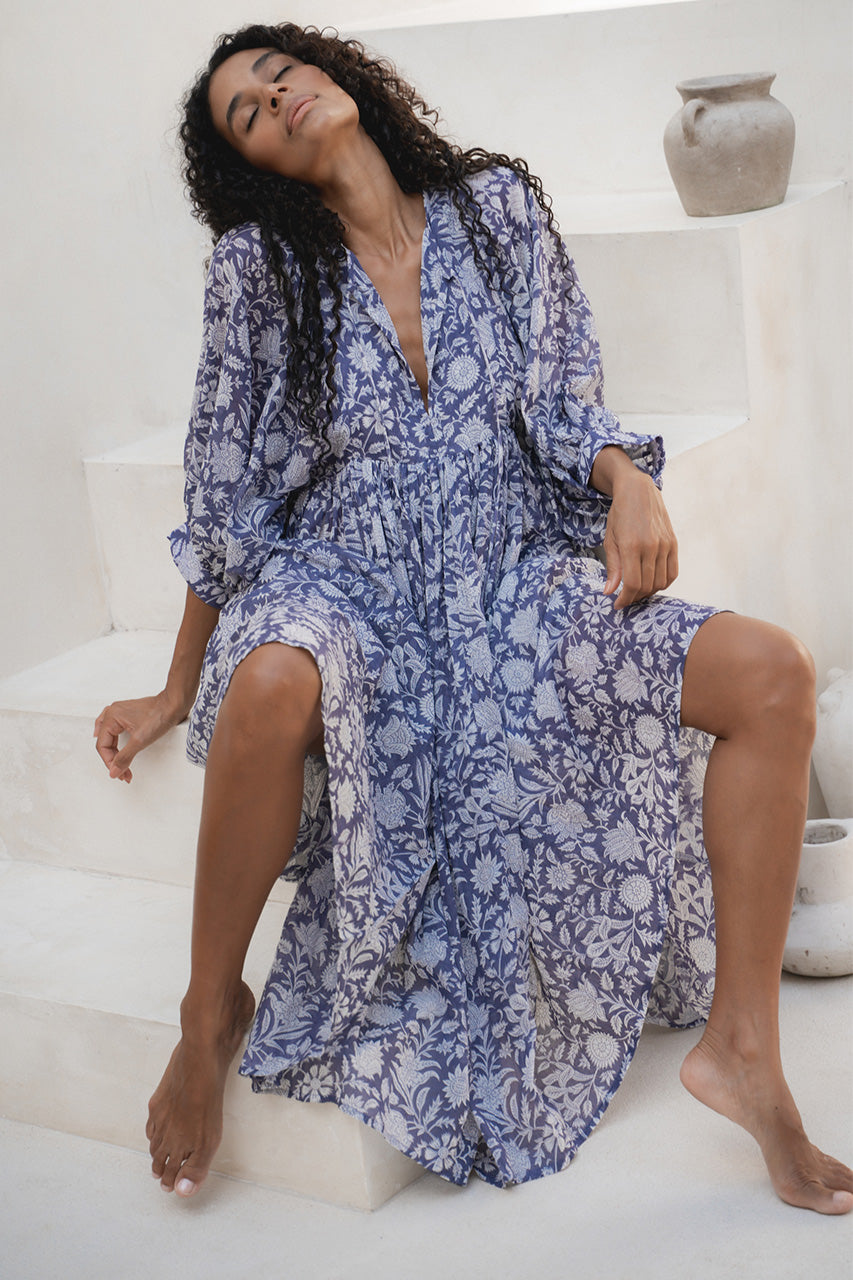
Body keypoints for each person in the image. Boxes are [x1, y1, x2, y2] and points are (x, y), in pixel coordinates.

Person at [94, 22, 852, 1212]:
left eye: (281, 72)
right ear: (254, 167)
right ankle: (206, 1014)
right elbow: (227, 497)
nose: (277, 98)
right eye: (248, 111)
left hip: (506, 573)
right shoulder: (260, 270)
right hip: (344, 577)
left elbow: (561, 397)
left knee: (773, 674)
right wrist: (176, 683)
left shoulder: (495, 212)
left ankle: (742, 1047)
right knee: (275, 679)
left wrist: (626, 477)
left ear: (333, 74)